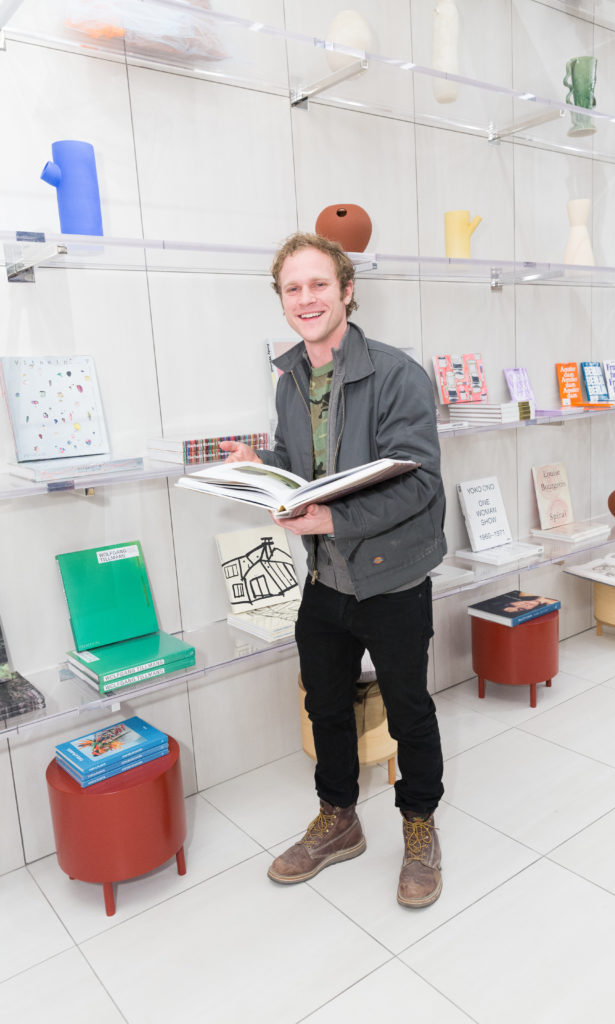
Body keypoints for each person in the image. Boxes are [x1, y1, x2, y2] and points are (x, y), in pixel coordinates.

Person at [221, 231, 447, 908]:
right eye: (293, 288)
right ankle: (338, 818)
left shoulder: (397, 373)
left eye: (319, 284)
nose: (306, 298)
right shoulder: (290, 376)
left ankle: (417, 825)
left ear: (346, 290)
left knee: (409, 710)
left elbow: (420, 486)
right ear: (282, 302)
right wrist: (257, 472)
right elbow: (301, 467)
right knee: (325, 706)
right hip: (323, 580)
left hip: (391, 579)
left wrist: (331, 522)